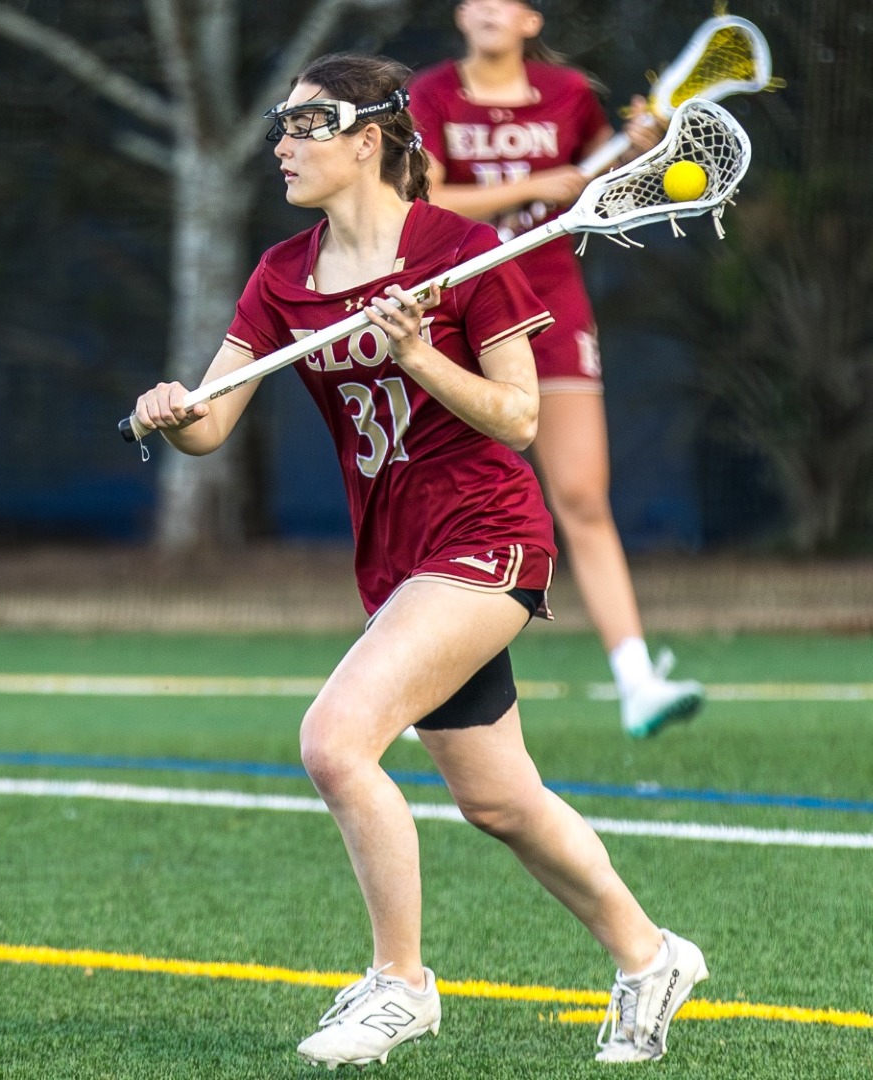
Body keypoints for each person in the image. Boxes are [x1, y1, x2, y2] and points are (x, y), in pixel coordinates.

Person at [132, 54, 708, 1067]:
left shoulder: (464, 252)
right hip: (394, 561)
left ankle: (399, 985)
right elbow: (212, 427)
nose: (283, 145)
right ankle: (649, 954)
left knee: (335, 741)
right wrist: (171, 413)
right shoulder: (283, 275)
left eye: (305, 126)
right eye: (282, 127)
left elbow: (521, 417)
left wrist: (417, 354)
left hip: (484, 534)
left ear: (366, 140)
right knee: (498, 800)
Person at [409, 0, 704, 738]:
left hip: (550, 307)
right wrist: (534, 185)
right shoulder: (432, 94)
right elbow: (423, 197)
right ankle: (413, 670)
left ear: (531, 20)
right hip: (453, 310)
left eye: (503, 0)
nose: (486, 9)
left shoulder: (571, 95)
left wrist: (643, 145)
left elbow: (614, 188)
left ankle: (636, 679)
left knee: (581, 494)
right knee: (436, 496)